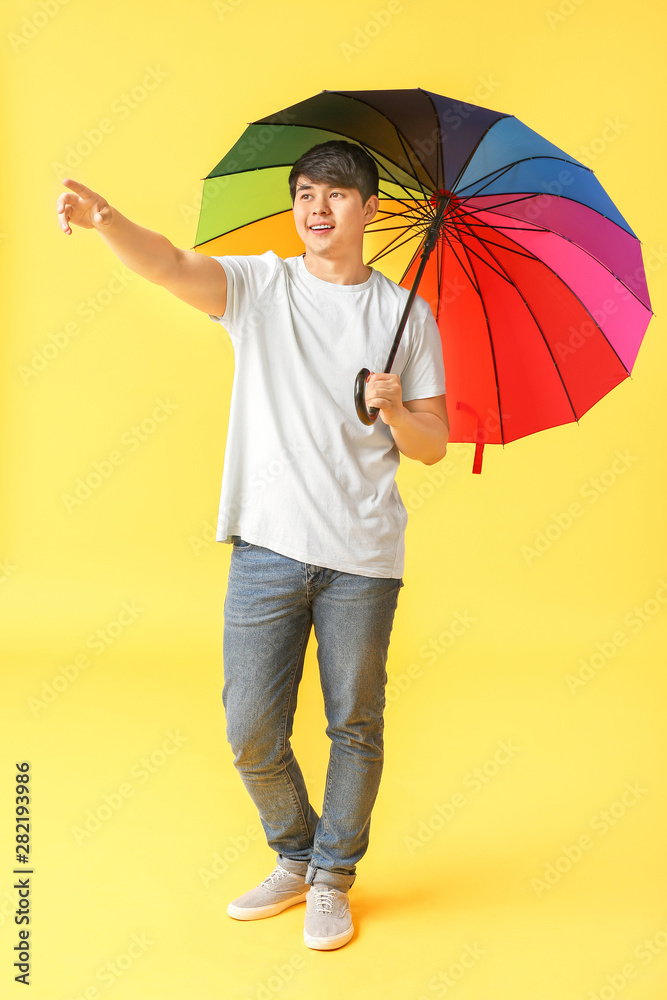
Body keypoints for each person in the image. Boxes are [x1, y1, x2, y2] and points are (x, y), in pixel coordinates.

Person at [56, 139, 449, 951]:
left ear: (368, 209)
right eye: (305, 192)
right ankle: (296, 853)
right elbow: (168, 265)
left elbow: (434, 443)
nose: (316, 208)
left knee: (354, 725)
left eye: (335, 195)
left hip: (363, 556)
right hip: (267, 547)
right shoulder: (261, 288)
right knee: (251, 729)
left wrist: (394, 408)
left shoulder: (404, 315)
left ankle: (333, 878)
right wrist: (105, 221)